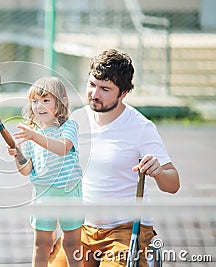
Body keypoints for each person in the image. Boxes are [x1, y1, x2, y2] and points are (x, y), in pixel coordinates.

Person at [48, 49, 180, 267]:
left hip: (125, 230)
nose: (94, 94)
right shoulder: (76, 121)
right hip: (82, 228)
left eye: (105, 89)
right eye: (92, 84)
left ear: (124, 93)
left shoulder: (141, 128)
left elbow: (173, 184)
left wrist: (158, 171)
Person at [8, 76, 84, 267]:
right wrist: (17, 155)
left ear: (61, 103)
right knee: (42, 244)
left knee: (72, 244)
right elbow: (26, 170)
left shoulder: (69, 126)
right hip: (43, 195)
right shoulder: (31, 132)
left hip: (69, 193)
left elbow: (62, 148)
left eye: (46, 100)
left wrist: (34, 136)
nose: (39, 106)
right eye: (35, 101)